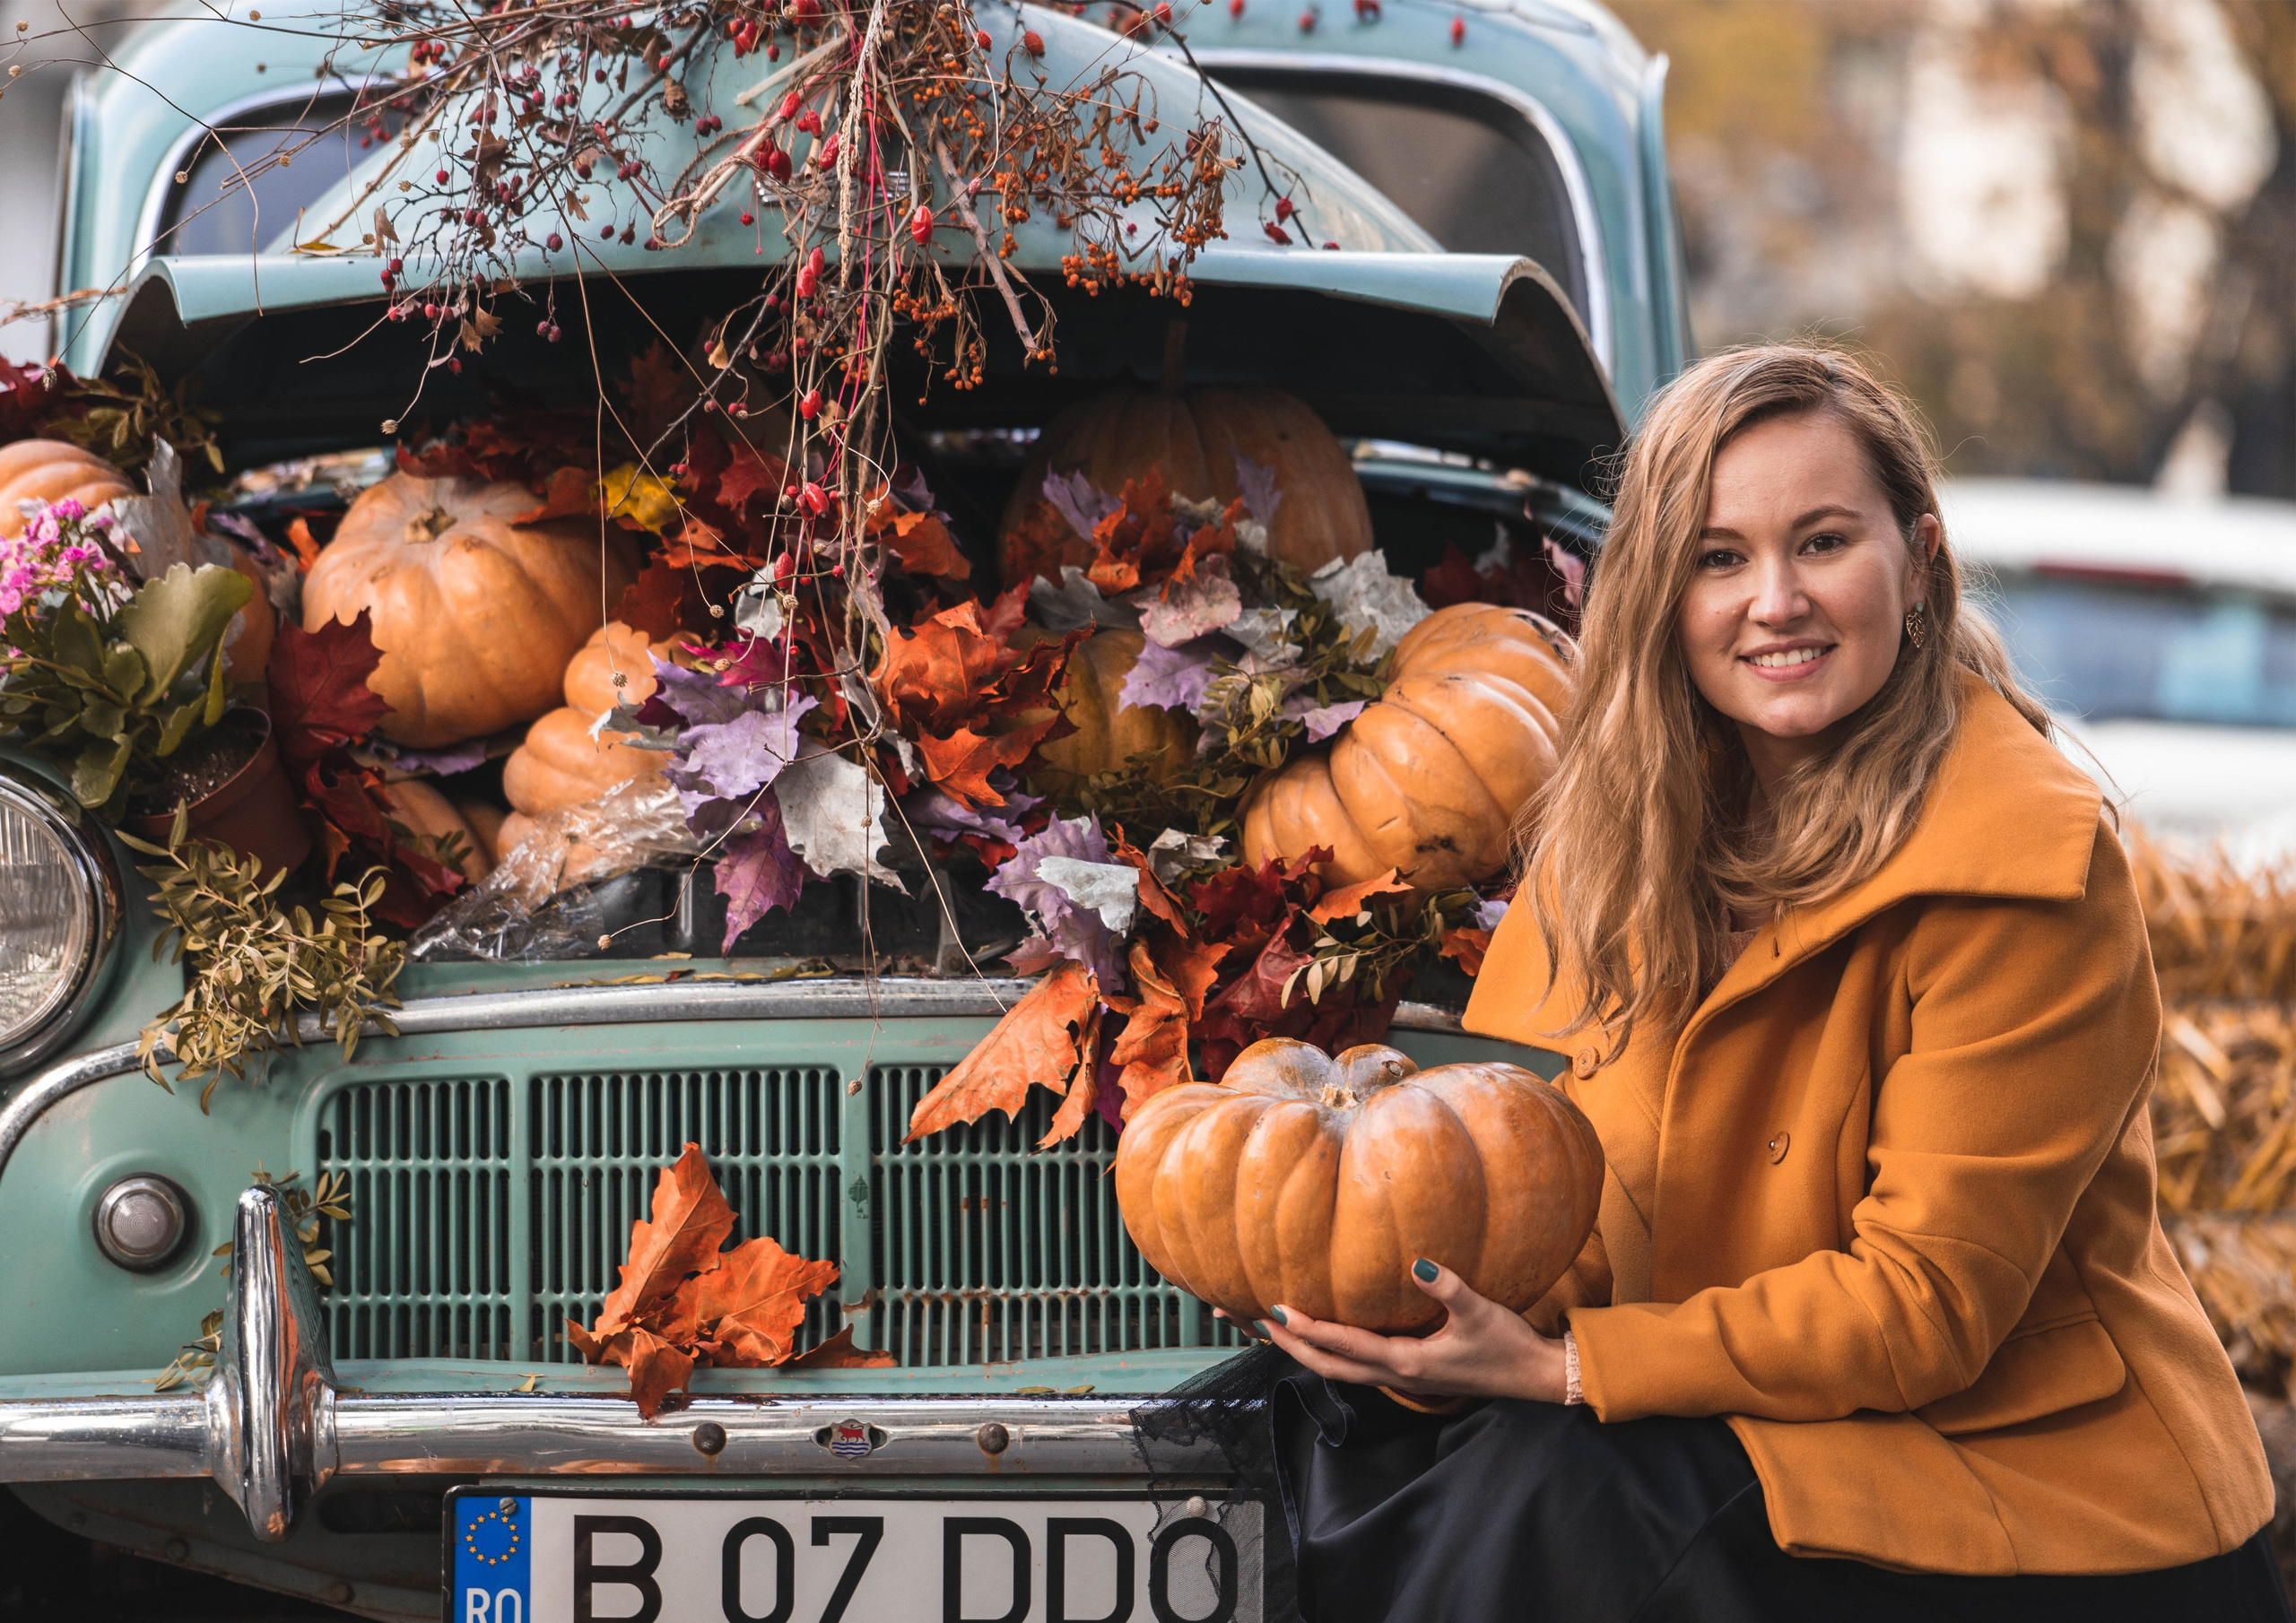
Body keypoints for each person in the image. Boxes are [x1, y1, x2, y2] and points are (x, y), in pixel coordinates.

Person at [1252, 344, 2286, 1621]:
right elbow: (1546, 1194)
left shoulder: (2029, 864)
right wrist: (1424, 1332)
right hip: (1746, 1420)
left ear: (1917, 562)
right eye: (1719, 556)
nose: (1775, 599)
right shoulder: (1613, 847)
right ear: (1659, 598)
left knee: (1554, 1495)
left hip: (2034, 1490)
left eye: (1824, 541)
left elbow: (1924, 1307)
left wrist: (1570, 1367)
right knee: (1320, 1435)